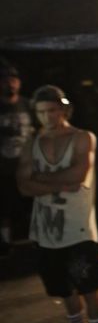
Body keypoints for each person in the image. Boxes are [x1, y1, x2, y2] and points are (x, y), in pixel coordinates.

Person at [16, 85, 98, 323]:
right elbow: (23, 186)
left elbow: (78, 175)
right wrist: (60, 184)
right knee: (63, 289)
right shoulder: (32, 143)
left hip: (78, 228)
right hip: (46, 231)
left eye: (52, 110)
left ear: (64, 109)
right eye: (41, 112)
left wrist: (40, 179)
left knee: (88, 289)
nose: (47, 117)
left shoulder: (82, 137)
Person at [0, 58, 33, 254]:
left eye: (13, 80)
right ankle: (5, 243)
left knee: (33, 203)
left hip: (28, 165)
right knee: (4, 206)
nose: (10, 84)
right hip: (4, 167)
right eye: (5, 80)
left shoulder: (28, 105)